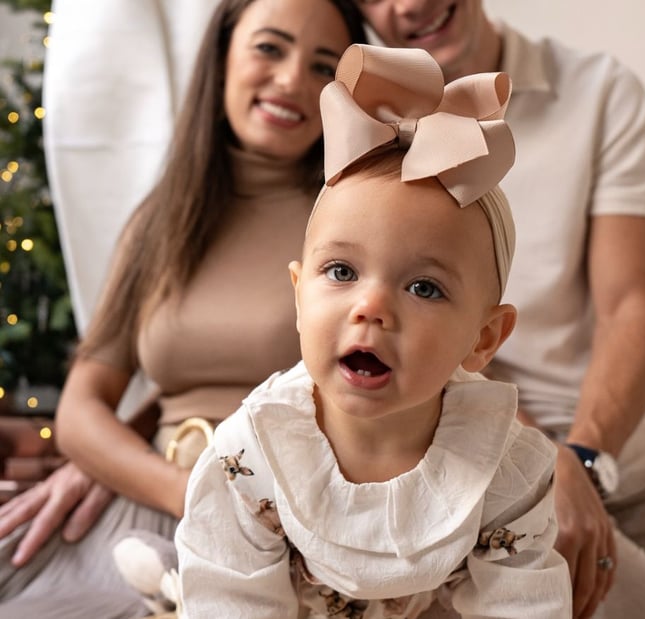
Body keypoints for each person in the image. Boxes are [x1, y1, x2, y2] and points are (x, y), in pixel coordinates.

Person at [353, 2, 645, 619]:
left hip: (620, 450)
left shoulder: (598, 90)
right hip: (484, 461)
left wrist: (585, 461)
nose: (409, 4)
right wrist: (540, 465)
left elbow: (630, 306)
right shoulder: (369, 124)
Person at [175, 43, 571, 619]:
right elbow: (230, 597)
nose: (371, 307)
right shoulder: (252, 451)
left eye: (424, 287)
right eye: (342, 272)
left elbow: (525, 605)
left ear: (484, 339)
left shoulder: (505, 468)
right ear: (298, 296)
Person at [0, 0, 367, 616]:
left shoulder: (358, 217)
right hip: (155, 504)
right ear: (221, 58)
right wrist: (188, 494)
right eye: (269, 48)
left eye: (322, 66)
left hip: (290, 529)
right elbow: (81, 410)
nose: (290, 80)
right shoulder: (160, 220)